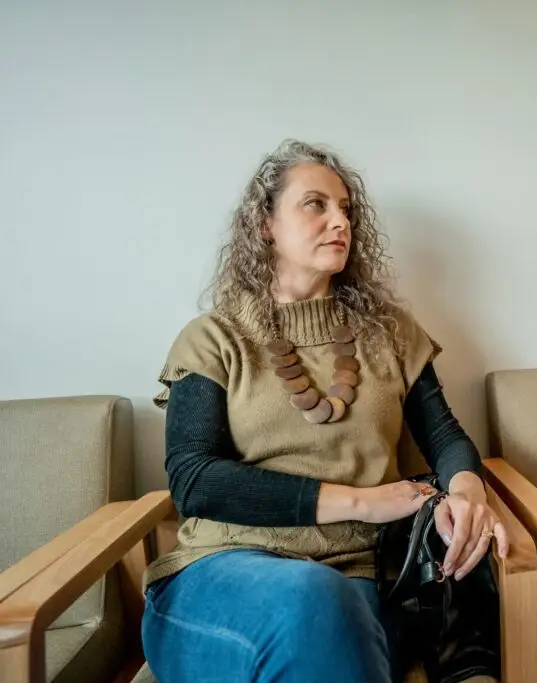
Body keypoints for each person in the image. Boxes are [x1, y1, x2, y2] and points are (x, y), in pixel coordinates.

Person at [140, 139, 508, 683]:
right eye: (316, 204)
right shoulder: (214, 339)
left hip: (361, 578)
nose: (340, 220)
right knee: (313, 599)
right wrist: (362, 500)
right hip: (221, 573)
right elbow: (194, 481)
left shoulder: (391, 333)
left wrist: (467, 493)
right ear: (264, 224)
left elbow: (446, 436)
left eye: (347, 209)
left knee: (332, 606)